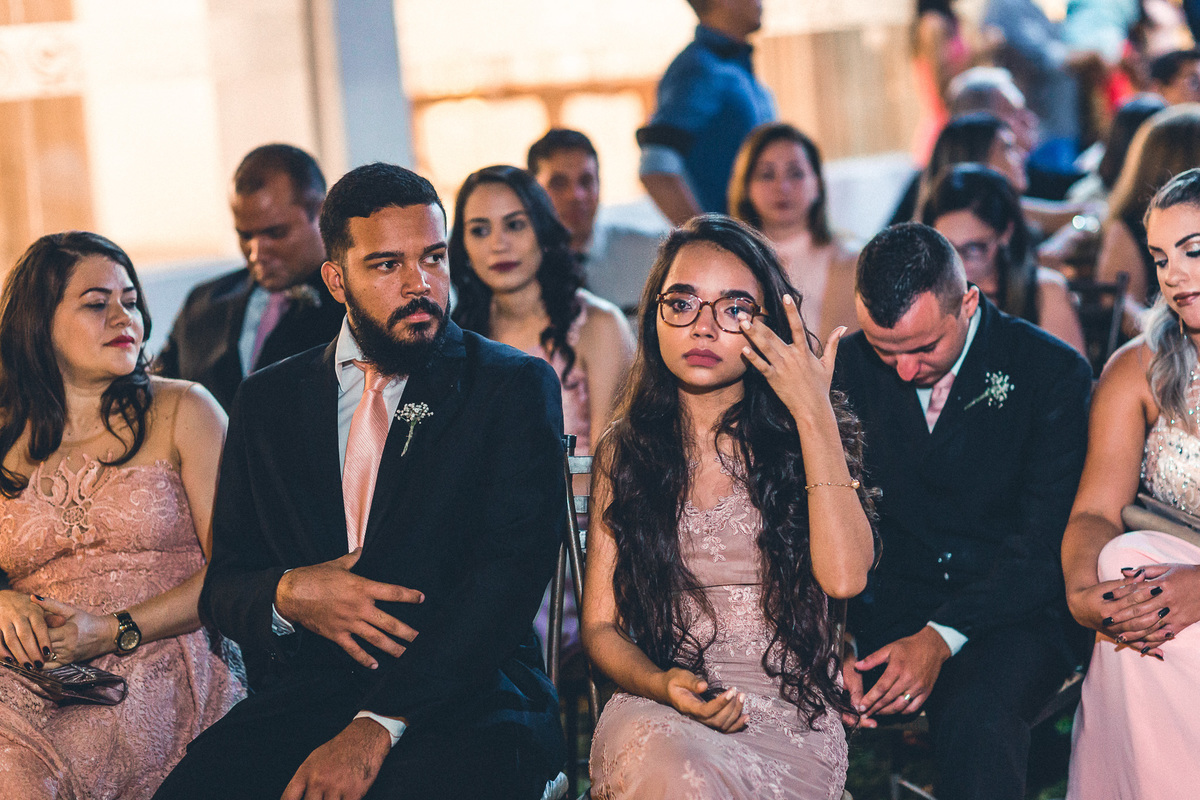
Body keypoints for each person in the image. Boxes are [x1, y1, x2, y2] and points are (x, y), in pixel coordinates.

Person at [153, 164, 566, 800]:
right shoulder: (266, 401)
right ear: (336, 279)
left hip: (471, 697)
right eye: (387, 265)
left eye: (433, 257)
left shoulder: (509, 386)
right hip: (307, 695)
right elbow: (227, 585)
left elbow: (503, 588)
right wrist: (289, 594)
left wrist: (376, 726)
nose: (420, 284)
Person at [584, 214, 876, 799]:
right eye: (683, 303)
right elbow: (599, 626)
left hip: (788, 718)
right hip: (661, 706)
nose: (704, 327)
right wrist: (662, 684)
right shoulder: (627, 450)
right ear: (655, 317)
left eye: (734, 308)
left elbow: (844, 579)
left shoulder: (800, 440)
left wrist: (813, 413)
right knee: (672, 765)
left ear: (768, 326)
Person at [833, 222, 1092, 800]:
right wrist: (836, 639)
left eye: (925, 348)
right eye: (885, 349)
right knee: (793, 693)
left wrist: (940, 637)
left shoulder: (1051, 374)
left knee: (978, 710)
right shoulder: (842, 370)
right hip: (885, 607)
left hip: (1017, 611)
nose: (904, 370)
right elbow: (820, 518)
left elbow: (1045, 539)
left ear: (968, 302)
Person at [0, 232, 246, 799]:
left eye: (130, 300)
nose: (123, 316)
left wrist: (112, 630)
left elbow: (238, 568)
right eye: (96, 302)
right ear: (39, 324)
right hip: (34, 672)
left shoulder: (186, 408)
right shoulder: (4, 436)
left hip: (161, 654)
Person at [449, 164, 635, 651]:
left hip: (584, 544)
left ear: (543, 230)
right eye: (479, 230)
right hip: (479, 545)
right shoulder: (454, 338)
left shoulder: (597, 325)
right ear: (460, 247)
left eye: (514, 224)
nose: (498, 245)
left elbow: (614, 467)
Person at [1062, 167, 1200, 800]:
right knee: (1121, 562)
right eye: (1159, 257)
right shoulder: (1137, 367)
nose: (1172, 274)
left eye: (1192, 252)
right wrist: (1085, 595)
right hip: (1161, 591)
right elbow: (1093, 513)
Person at [156, 143, 346, 410]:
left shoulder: (354, 305)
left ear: (322, 213)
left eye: (275, 233)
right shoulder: (202, 303)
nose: (256, 253)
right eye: (245, 235)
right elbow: (158, 393)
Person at [920, 163, 1086, 352]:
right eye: (946, 249)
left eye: (973, 248)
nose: (958, 264)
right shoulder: (923, 295)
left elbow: (1073, 378)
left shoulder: (1043, 292)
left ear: (1005, 234)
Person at [637, 0, 776, 224]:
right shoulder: (698, 68)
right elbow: (655, 167)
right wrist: (707, 240)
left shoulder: (731, 65)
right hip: (733, 250)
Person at [728, 122, 859, 340]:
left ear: (817, 184)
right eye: (767, 175)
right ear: (746, 187)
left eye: (795, 173)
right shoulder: (729, 262)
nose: (782, 187)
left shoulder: (850, 263)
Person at [528, 129, 664, 313]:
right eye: (558, 183)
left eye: (586, 181)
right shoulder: (521, 267)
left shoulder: (652, 255)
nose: (575, 196)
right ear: (533, 193)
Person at [1096, 104, 1200, 320]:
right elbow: (1120, 307)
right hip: (1164, 343)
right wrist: (1167, 332)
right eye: (1161, 261)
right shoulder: (1128, 227)